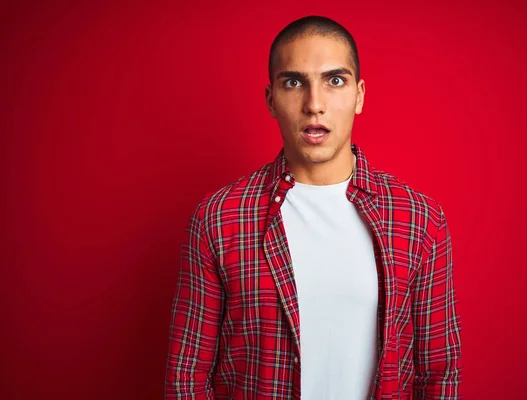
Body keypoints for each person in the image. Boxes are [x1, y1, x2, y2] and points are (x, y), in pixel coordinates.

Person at [165, 15, 462, 400]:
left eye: (334, 81)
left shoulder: (419, 219)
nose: (314, 104)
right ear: (271, 100)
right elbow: (186, 375)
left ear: (359, 95)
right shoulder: (219, 218)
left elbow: (438, 372)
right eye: (294, 82)